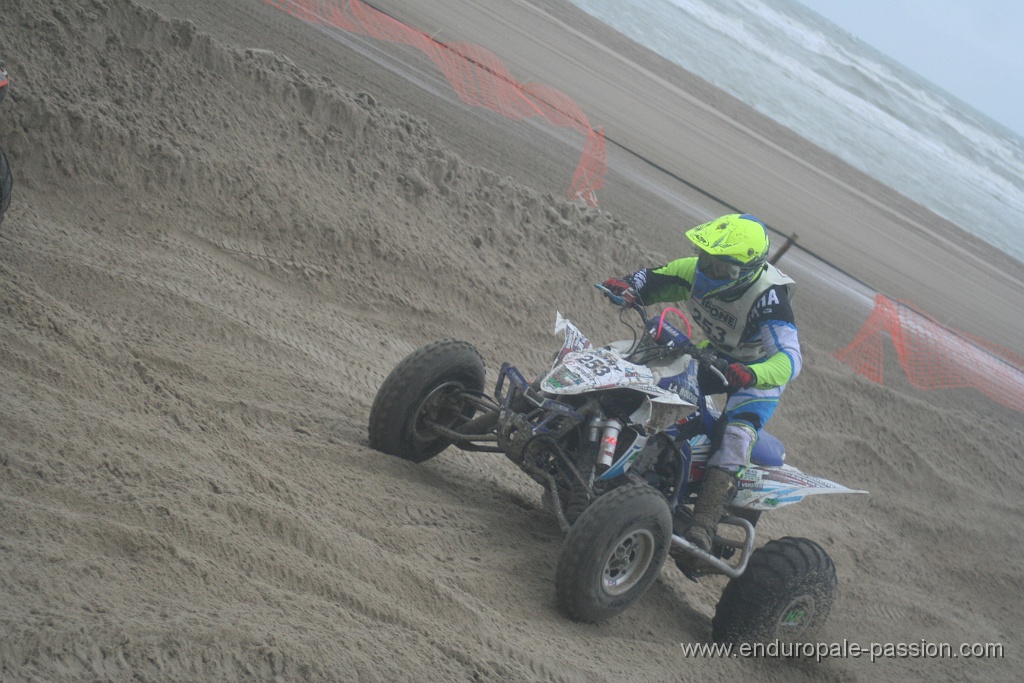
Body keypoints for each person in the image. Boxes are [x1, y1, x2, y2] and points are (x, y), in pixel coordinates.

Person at [602, 213, 801, 553]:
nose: (708, 271)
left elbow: (791, 360)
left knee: (736, 435)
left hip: (757, 376)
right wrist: (628, 288)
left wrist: (754, 374)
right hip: (715, 355)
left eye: (721, 268)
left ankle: (703, 526)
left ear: (746, 271)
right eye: (706, 259)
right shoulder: (694, 269)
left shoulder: (769, 300)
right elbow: (651, 280)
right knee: (650, 370)